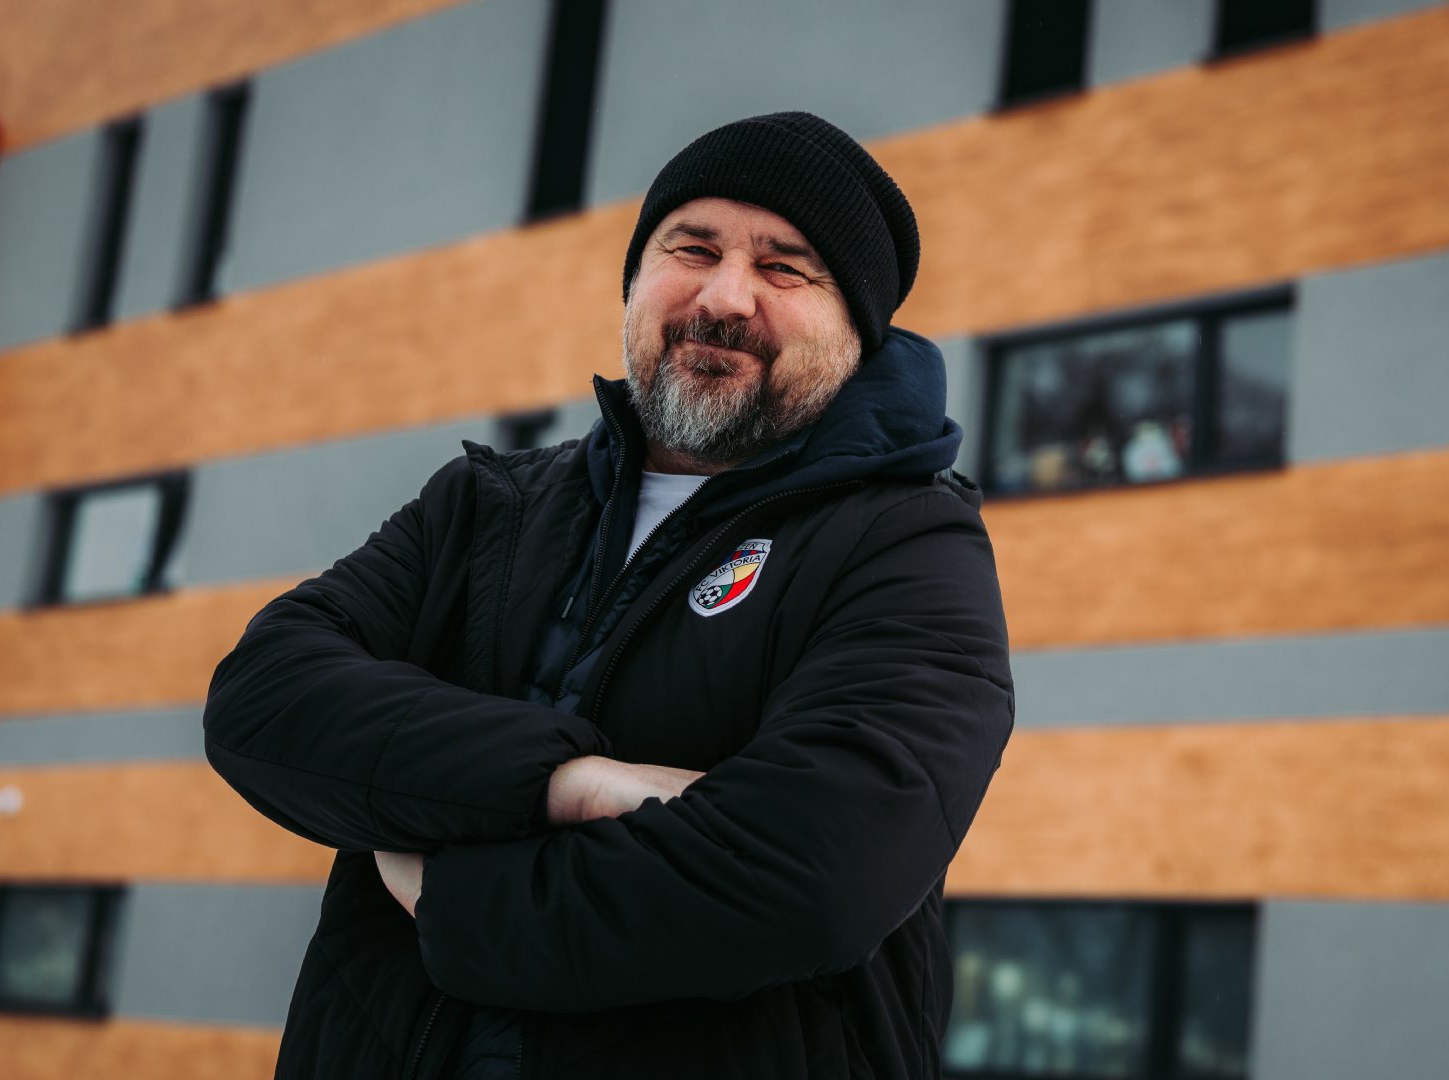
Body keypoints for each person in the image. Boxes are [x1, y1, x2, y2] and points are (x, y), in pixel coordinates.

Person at [203, 110, 1015, 1080]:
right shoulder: (486, 508)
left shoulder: (908, 543)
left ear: (858, 331)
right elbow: (265, 698)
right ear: (634, 281)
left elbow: (816, 870)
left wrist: (453, 898)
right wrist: (567, 783)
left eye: (785, 268)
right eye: (693, 249)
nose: (725, 296)